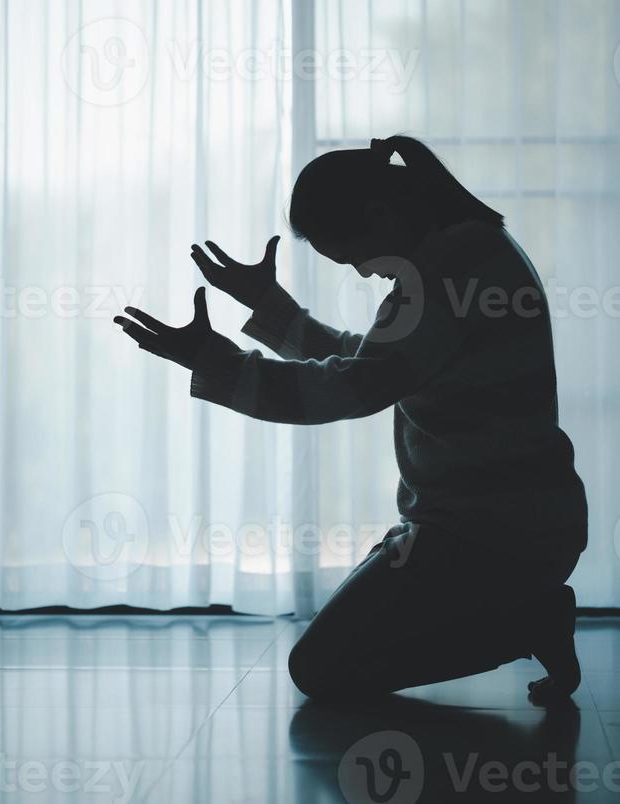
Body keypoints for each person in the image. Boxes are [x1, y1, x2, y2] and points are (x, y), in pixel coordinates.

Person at [114, 134, 588, 705]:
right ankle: (525, 611)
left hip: (493, 536)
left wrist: (218, 362)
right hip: (501, 525)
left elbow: (355, 386)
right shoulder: (471, 249)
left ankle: (529, 621)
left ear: (381, 215)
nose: (365, 274)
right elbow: (374, 365)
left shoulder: (443, 276)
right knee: (334, 653)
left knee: (320, 668)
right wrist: (268, 307)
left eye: (355, 257)